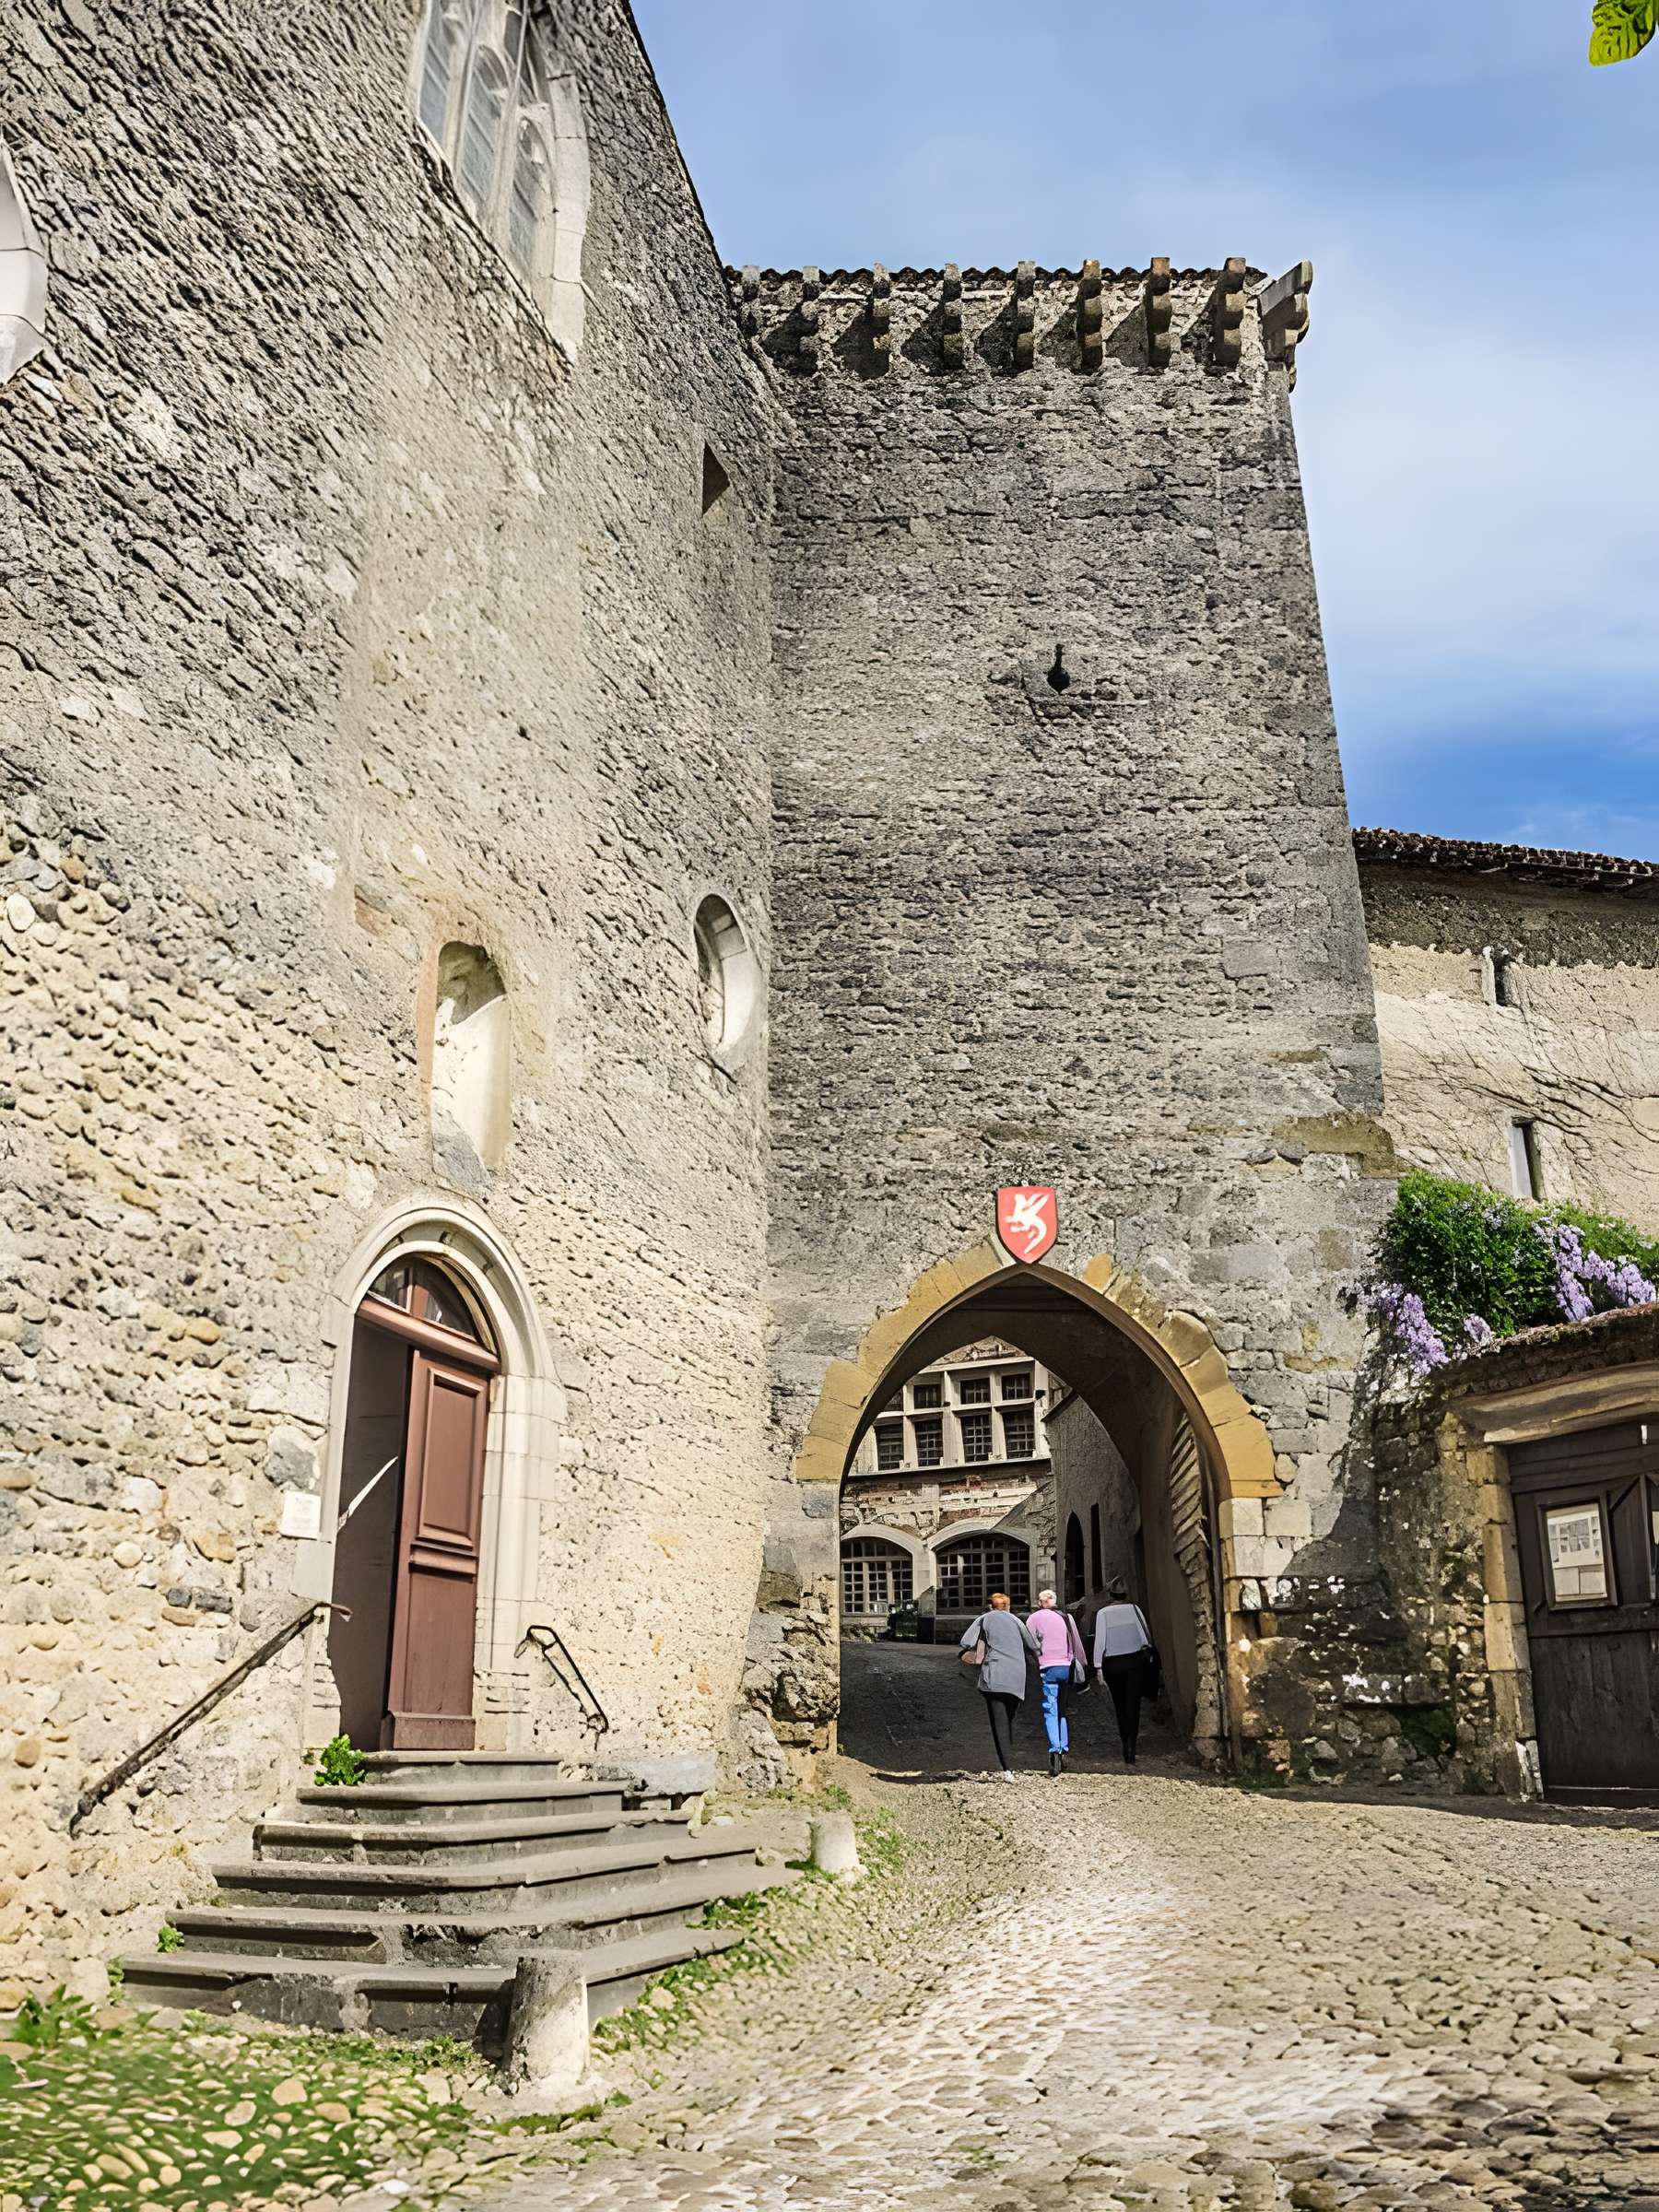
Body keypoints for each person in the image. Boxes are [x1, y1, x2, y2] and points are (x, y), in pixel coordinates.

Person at [958, 1591, 1039, 1782]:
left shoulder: (985, 1618)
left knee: (999, 1722)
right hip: (1017, 1676)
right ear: (1008, 1606)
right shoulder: (1017, 1621)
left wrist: (970, 1652)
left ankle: (1007, 1768)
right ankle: (1008, 1761)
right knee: (1008, 1719)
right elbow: (1033, 1645)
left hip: (995, 1675)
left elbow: (965, 1641)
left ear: (991, 1607)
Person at [1026, 1587, 1088, 1777]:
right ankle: (1064, 1747)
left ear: (1040, 1603)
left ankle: (1055, 1750)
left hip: (1048, 1668)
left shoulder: (1034, 1618)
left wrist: (1036, 1659)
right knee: (1062, 1710)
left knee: (1050, 1709)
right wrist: (1083, 1666)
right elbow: (1077, 1644)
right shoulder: (1066, 1618)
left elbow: (1028, 1642)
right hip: (1066, 1667)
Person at [1091, 1577, 1154, 1765]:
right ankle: (1131, 1746)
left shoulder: (1103, 1614)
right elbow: (1145, 1638)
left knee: (1119, 1705)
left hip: (1113, 1665)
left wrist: (1098, 1667)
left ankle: (1124, 1741)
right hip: (1134, 1662)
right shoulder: (1134, 1610)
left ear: (1110, 1594)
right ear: (1125, 1594)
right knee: (1133, 1705)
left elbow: (1100, 1642)